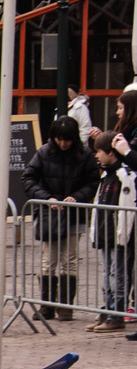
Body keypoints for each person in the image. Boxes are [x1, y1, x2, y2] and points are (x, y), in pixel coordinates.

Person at [23, 116, 100, 321]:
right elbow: (29, 178)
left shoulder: (85, 155)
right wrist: (46, 198)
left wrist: (77, 197)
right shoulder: (43, 152)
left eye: (67, 140)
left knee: (70, 259)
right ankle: (47, 305)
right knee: (49, 259)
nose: (63, 143)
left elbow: (93, 181)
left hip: (73, 213)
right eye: (59, 139)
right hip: (50, 213)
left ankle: (65, 306)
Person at [87, 132, 135, 334]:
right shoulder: (105, 175)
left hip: (119, 234)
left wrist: (123, 232)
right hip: (105, 233)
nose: (96, 156)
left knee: (118, 275)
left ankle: (117, 314)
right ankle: (107, 309)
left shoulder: (126, 175)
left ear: (110, 152)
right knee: (107, 274)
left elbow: (128, 203)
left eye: (98, 151)